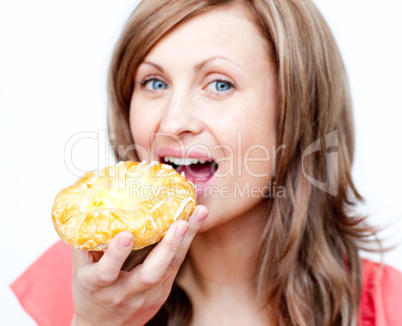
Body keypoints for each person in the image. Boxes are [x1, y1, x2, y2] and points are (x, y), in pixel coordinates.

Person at [10, 0, 402, 325]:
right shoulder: (82, 283)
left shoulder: (389, 307)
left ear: (297, 110)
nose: (174, 121)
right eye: (154, 83)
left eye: (220, 84)